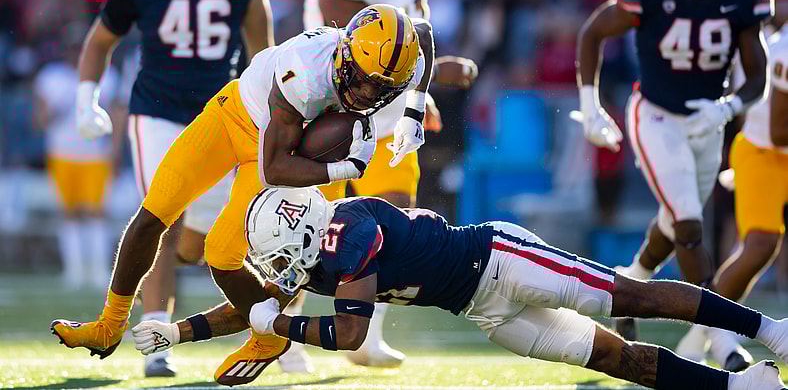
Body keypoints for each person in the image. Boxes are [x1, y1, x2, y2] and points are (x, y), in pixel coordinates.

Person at [51, 4, 436, 384]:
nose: (367, 93)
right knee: (155, 211)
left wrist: (414, 112)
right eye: (363, 79)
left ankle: (268, 338)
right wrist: (345, 169)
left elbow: (423, 33)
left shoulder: (400, 64)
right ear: (345, 54)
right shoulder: (305, 71)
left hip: (293, 145)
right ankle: (109, 325)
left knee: (231, 254)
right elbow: (273, 169)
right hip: (240, 118)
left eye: (382, 88)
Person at [131, 187, 788, 390]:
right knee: (614, 359)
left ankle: (770, 330)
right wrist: (178, 331)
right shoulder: (315, 252)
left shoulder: (350, 232)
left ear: (302, 234)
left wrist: (277, 325)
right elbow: (255, 307)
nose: (275, 267)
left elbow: (348, 333)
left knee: (631, 296)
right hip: (483, 310)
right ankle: (739, 388)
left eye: (278, 254)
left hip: (500, 259)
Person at [74, 0, 275, 377]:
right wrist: (85, 97)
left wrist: (274, 112)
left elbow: (264, 51)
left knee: (214, 239)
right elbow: (102, 39)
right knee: (161, 217)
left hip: (225, 112)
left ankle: (271, 323)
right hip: (157, 110)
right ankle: (156, 337)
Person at [275, 0, 477, 371]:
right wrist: (434, 71)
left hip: (387, 115)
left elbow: (415, 28)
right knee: (306, 227)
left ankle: (365, 335)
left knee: (393, 223)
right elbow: (354, 50)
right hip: (333, 111)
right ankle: (283, 334)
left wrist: (420, 92)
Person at [575, 0, 772, 370]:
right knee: (687, 221)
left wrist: (726, 109)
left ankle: (630, 281)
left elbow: (758, 75)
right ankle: (720, 338)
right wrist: (591, 107)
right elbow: (593, 32)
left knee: (674, 220)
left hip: (707, 121)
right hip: (656, 117)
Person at [676, 0, 788, 368]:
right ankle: (703, 329)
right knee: (759, 247)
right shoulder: (782, 49)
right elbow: (778, 131)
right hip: (765, 153)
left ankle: (704, 330)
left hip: (768, 149)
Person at [33, 32, 121, 292]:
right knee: (68, 213)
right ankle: (75, 270)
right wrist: (55, 110)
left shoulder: (107, 76)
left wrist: (115, 149)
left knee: (96, 212)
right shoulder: (52, 77)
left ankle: (99, 269)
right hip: (62, 153)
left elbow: (117, 114)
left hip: (96, 154)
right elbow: (40, 120)